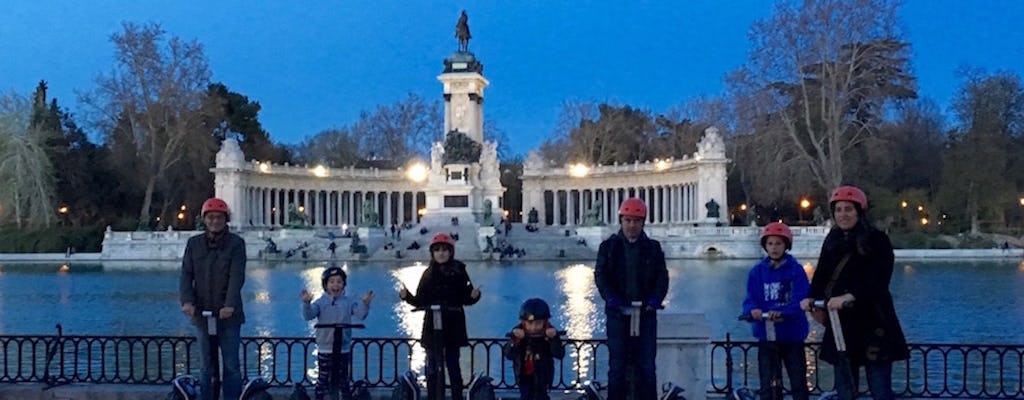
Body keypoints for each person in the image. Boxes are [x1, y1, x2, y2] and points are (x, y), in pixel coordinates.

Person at [800, 186, 909, 400]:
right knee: (845, 390)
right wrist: (811, 296)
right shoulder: (832, 239)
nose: (843, 214)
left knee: (880, 390)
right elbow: (822, 273)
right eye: (838, 210)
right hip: (841, 323)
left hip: (873, 322)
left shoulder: (877, 240)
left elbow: (879, 279)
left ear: (859, 212)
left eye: (848, 209)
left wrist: (851, 296)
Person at [594, 197, 669, 400]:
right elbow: (600, 275)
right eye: (628, 220)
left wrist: (655, 298)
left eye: (636, 221)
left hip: (645, 314)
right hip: (618, 314)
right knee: (616, 367)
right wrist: (609, 297)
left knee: (647, 366)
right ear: (621, 221)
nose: (631, 225)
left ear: (643, 223)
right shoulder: (608, 246)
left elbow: (662, 277)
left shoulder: (653, 247)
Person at [399, 233, 482, 400]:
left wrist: (474, 296)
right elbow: (420, 300)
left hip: (453, 325)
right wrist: (406, 296)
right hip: (432, 325)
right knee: (432, 367)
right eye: (437, 250)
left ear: (451, 252)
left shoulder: (459, 270)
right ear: (432, 253)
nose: (441, 253)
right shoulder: (428, 274)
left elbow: (466, 299)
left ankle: (457, 397)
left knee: (453, 366)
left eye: (445, 250)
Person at [179, 198, 247, 400]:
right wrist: (187, 301)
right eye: (210, 217)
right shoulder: (194, 244)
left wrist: (230, 305)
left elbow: (237, 276)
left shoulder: (236, 243)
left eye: (219, 217)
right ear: (204, 220)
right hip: (202, 312)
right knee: (205, 367)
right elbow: (186, 274)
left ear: (225, 219)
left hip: (228, 315)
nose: (214, 221)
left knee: (231, 366)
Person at [742, 222, 810, 400]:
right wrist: (752, 310)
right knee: (769, 385)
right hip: (767, 336)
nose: (774, 248)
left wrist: (783, 312)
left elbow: (800, 298)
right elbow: (750, 297)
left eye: (779, 243)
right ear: (765, 245)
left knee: (798, 384)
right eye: (770, 243)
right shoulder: (756, 272)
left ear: (786, 246)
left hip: (791, 335)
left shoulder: (796, 270)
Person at [301, 266, 373, 400]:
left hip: (343, 348)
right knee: (322, 379)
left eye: (339, 282)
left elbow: (361, 315)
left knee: (344, 380)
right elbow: (309, 315)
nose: (335, 285)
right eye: (332, 282)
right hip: (325, 348)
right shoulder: (320, 302)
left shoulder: (349, 302)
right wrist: (306, 303)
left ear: (344, 285)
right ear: (326, 285)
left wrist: (365, 304)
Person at [503, 298, 565, 400]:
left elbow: (559, 354)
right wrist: (514, 340)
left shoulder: (549, 333)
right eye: (530, 324)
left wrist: (553, 339)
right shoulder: (518, 333)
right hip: (524, 377)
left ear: (545, 321)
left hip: (543, 377)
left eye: (538, 323)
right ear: (523, 322)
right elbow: (509, 355)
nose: (533, 328)